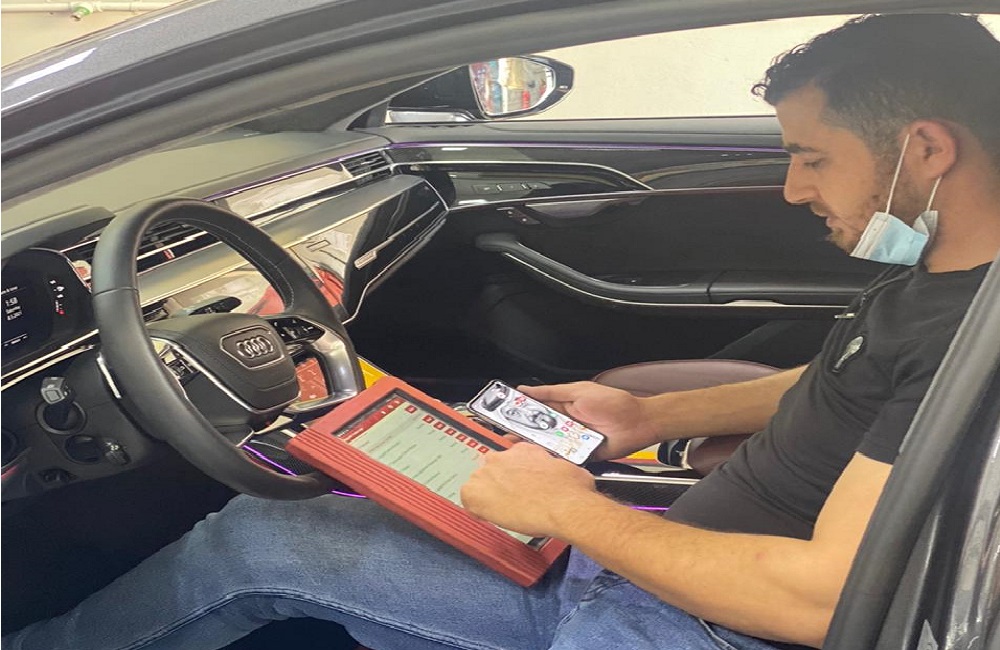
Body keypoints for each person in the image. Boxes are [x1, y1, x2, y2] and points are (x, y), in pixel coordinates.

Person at [5, 12, 1000, 650]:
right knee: (266, 531)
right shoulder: (947, 283)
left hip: (698, 623)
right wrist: (647, 415)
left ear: (925, 149)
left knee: (263, 542)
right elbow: (841, 384)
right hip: (670, 559)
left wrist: (570, 509)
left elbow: (823, 600)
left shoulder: (974, 328)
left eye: (812, 158)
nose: (790, 189)